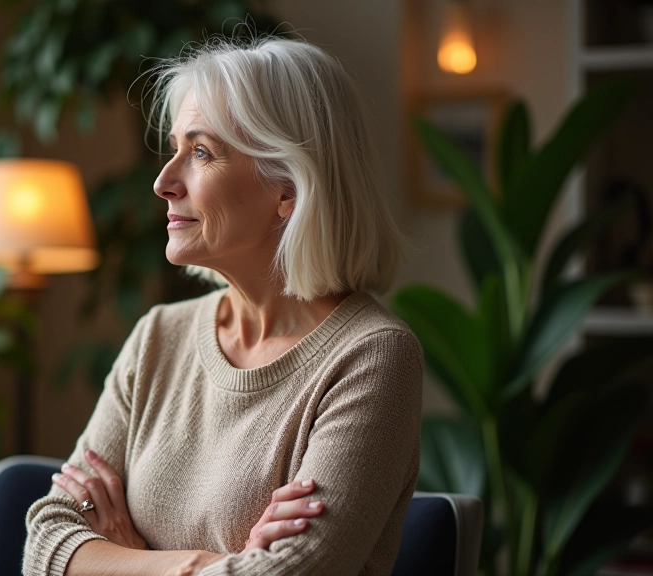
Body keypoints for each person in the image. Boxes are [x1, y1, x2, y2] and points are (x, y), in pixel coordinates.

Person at [23, 35, 423, 576]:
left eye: (202, 152)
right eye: (174, 149)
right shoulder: (158, 336)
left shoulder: (372, 358)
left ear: (289, 188)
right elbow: (45, 541)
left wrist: (124, 558)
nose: (164, 182)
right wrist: (208, 565)